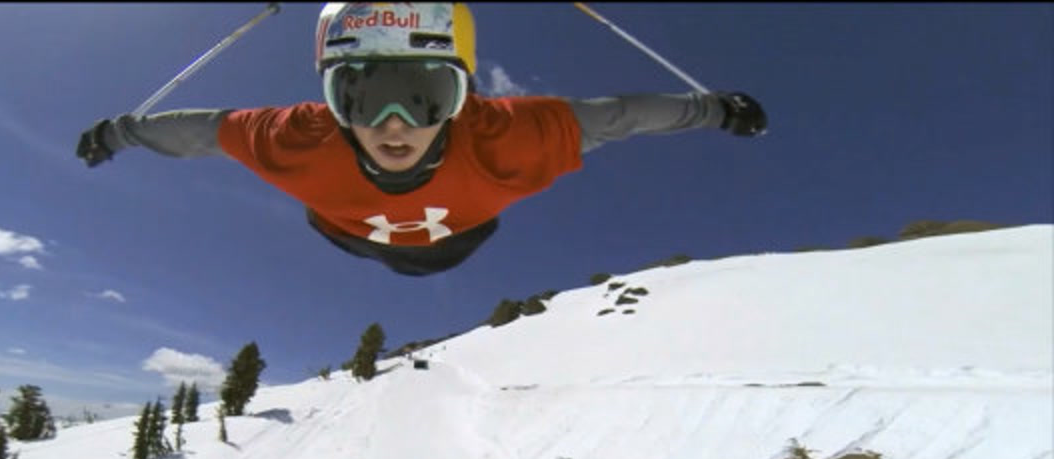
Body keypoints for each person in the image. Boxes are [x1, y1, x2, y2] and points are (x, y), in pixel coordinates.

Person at [77, 2, 767, 276]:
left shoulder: (505, 137)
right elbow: (201, 131)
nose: (394, 124)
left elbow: (620, 114)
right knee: (353, 227)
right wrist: (121, 131)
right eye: (360, 97)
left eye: (426, 95)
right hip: (356, 231)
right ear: (331, 101)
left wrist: (712, 110)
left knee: (423, 244)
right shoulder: (297, 140)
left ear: (462, 99)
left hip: (454, 236)